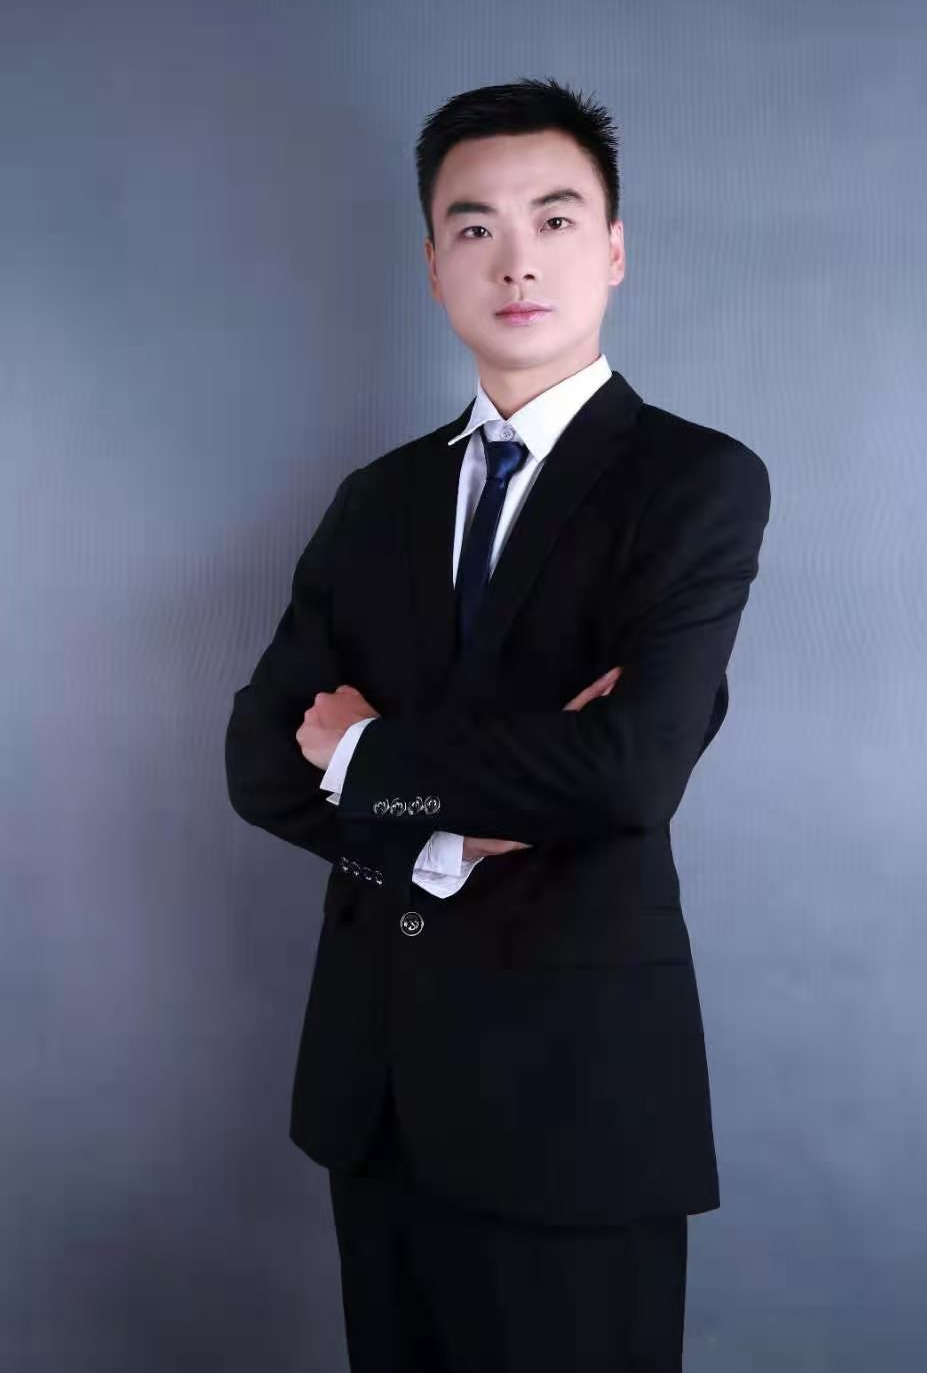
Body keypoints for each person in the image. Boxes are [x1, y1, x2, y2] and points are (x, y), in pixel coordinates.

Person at [224, 76, 772, 1371]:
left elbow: (626, 771)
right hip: (377, 1089)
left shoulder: (694, 482)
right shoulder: (376, 501)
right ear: (433, 264)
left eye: (555, 219)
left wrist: (369, 756)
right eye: (474, 227)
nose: (516, 259)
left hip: (577, 1096)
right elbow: (258, 761)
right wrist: (447, 836)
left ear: (614, 249)